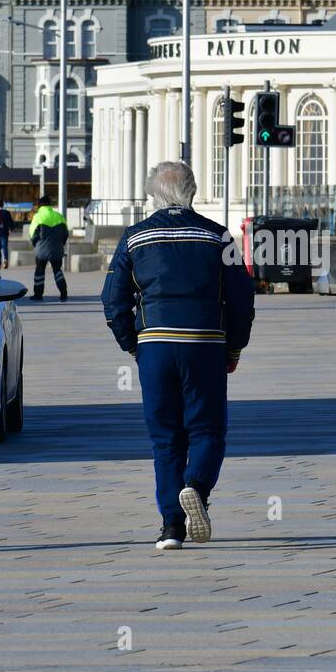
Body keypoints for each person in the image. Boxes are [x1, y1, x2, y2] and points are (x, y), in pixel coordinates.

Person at [101, 162, 254, 551]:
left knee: (165, 438)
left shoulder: (135, 238)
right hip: (204, 344)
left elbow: (112, 300)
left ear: (154, 194)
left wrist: (134, 344)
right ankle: (197, 488)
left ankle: (171, 526)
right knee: (207, 430)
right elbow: (241, 300)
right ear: (193, 192)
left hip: (155, 346)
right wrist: (234, 347)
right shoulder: (219, 238)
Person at [27, 195, 68, 302]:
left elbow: (33, 234)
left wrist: (37, 245)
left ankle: (38, 295)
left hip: (42, 249)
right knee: (57, 270)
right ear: (50, 205)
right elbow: (65, 234)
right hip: (57, 248)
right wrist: (60, 244)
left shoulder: (38, 216)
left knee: (39, 272)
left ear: (40, 205)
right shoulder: (59, 216)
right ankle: (63, 293)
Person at [0, 200, 15, 268]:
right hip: (5, 232)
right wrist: (11, 229)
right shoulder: (6, 212)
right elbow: (11, 222)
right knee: (4, 247)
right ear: (3, 205)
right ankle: (5, 259)